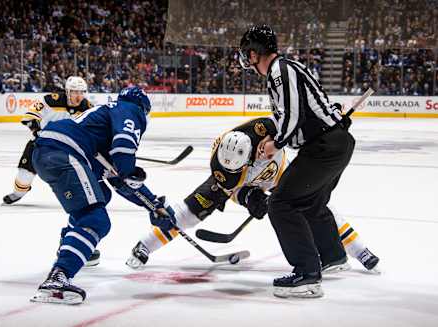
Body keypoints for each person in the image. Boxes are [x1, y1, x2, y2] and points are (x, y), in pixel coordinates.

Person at [126, 118, 379, 274]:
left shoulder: (263, 128)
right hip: (246, 183)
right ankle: (144, 246)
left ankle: (359, 250)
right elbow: (231, 191)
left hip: (279, 173)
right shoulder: (223, 168)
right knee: (190, 212)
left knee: (316, 205)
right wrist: (249, 197)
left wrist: (328, 126)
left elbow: (293, 129)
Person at [238, 25, 356, 298]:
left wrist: (275, 144)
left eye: (248, 53)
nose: (247, 60)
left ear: (255, 53)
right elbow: (317, 107)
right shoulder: (288, 69)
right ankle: (333, 255)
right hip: (334, 144)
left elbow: (293, 114)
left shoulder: (280, 69)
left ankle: (307, 275)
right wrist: (335, 119)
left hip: (324, 148)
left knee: (281, 203)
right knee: (310, 202)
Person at [30, 86, 175, 305]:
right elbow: (124, 149)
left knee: (101, 194)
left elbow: (120, 181)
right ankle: (57, 279)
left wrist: (153, 205)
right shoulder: (130, 109)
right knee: (96, 220)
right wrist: (129, 167)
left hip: (47, 152)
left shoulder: (101, 123)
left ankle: (71, 247)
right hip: (65, 152)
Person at [2, 76, 92, 206]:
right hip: (40, 144)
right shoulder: (51, 100)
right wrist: (34, 125)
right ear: (67, 91)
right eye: (75, 92)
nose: (79, 96)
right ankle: (18, 193)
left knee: (75, 173)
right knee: (24, 175)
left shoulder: (87, 107)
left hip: (67, 147)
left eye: (82, 92)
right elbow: (32, 113)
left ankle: (78, 195)